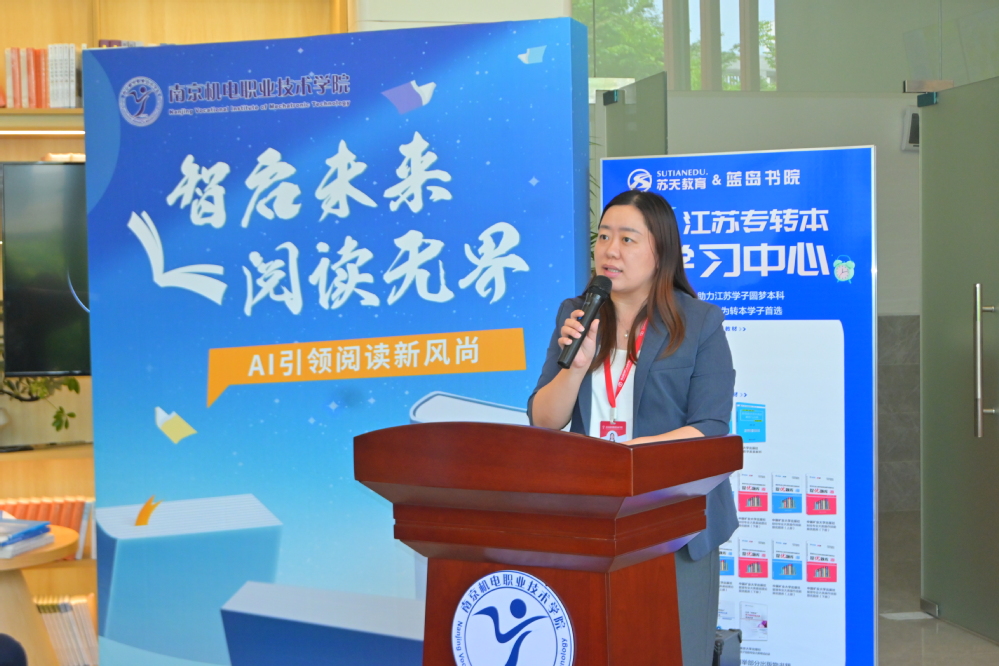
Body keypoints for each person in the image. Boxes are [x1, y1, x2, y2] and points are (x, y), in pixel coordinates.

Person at [527, 189, 738, 666]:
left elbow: (710, 426)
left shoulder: (699, 322)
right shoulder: (577, 313)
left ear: (660, 251)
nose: (610, 250)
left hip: (675, 518)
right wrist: (575, 367)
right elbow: (544, 419)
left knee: (671, 649)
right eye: (604, 237)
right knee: (595, 646)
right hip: (594, 516)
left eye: (627, 239)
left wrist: (629, 456)